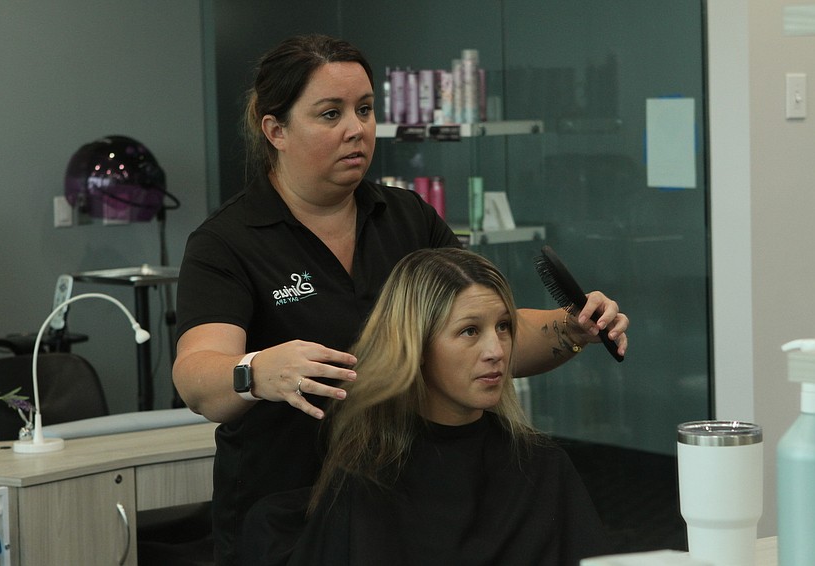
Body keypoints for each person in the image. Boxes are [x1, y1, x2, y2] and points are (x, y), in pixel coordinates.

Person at [173, 34, 628, 566]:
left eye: (365, 109)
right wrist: (256, 370)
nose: (357, 129)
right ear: (276, 130)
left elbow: (481, 333)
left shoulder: (408, 218)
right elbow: (197, 377)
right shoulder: (229, 242)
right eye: (331, 114)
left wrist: (570, 329)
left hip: (399, 503)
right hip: (292, 517)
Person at [241, 247, 611, 565]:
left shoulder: (542, 467)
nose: (496, 351)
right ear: (415, 347)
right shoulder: (368, 479)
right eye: (469, 331)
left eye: (503, 327)